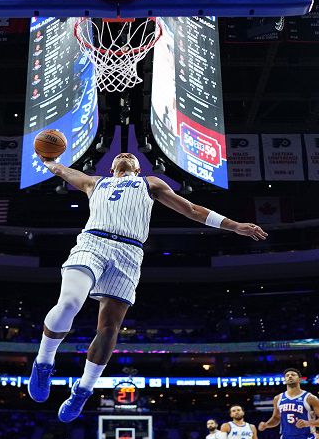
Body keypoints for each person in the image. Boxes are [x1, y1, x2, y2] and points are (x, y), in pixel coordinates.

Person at [27, 152, 268, 422]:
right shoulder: (95, 182)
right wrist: (49, 163)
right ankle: (44, 362)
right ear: (113, 166)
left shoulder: (149, 183)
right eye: (120, 155)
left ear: (138, 168)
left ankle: (83, 390)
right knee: (70, 302)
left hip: (129, 253)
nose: (125, 155)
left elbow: (191, 209)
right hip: (92, 243)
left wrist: (233, 226)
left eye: (130, 155)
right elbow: (64, 172)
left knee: (108, 329)